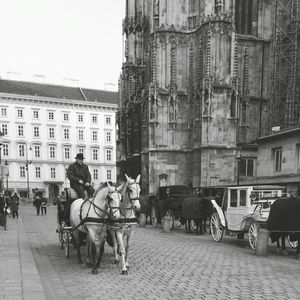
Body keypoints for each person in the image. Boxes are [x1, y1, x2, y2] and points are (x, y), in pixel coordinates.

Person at [64, 153, 95, 225]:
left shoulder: (85, 167)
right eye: (79, 159)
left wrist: (88, 181)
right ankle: (82, 206)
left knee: (92, 191)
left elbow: (88, 175)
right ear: (77, 159)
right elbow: (70, 175)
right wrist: (77, 180)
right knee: (81, 192)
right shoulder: (72, 166)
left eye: (82, 160)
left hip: (84, 183)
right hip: (75, 184)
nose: (81, 161)